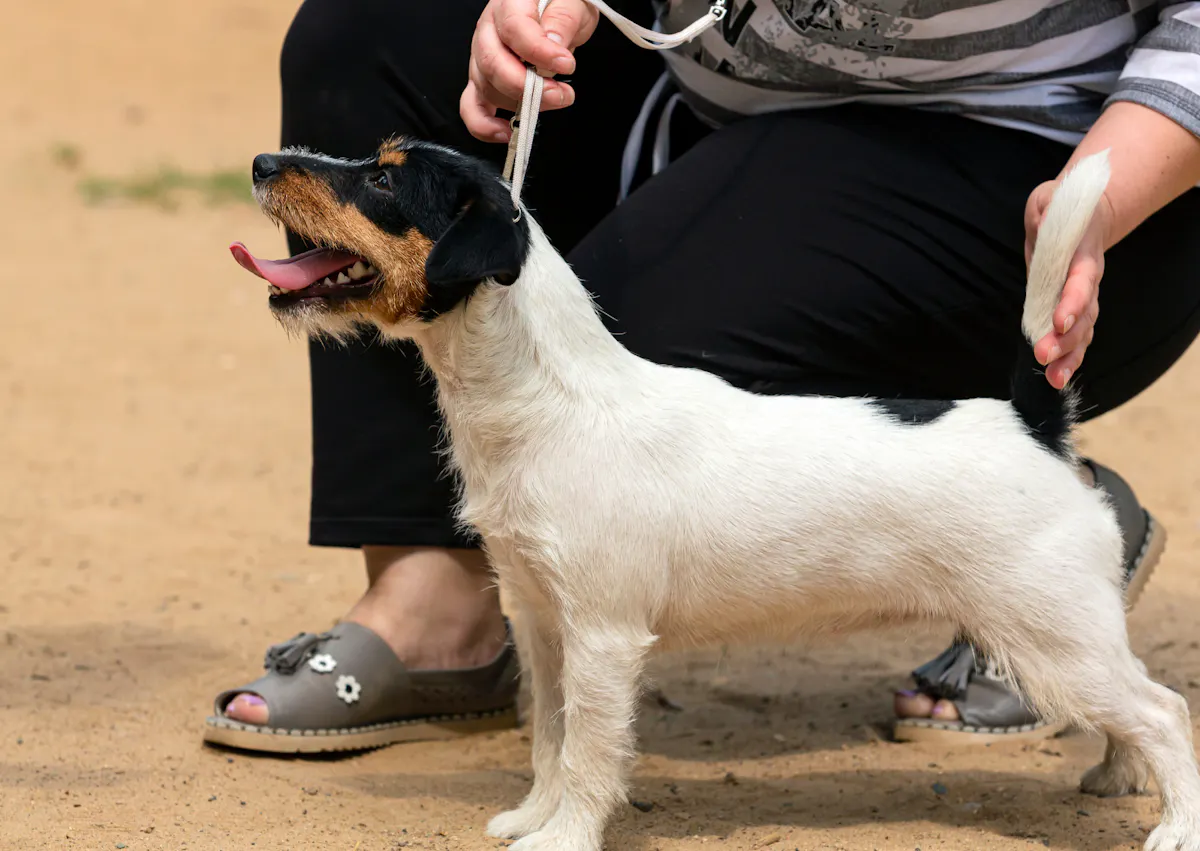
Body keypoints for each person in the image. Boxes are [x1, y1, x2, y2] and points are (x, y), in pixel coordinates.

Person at [204, 0, 1200, 752]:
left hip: (1058, 158)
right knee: (376, 28)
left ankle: (1022, 504)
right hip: (710, 98)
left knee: (615, 385)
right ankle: (434, 605)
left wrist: (1103, 189)